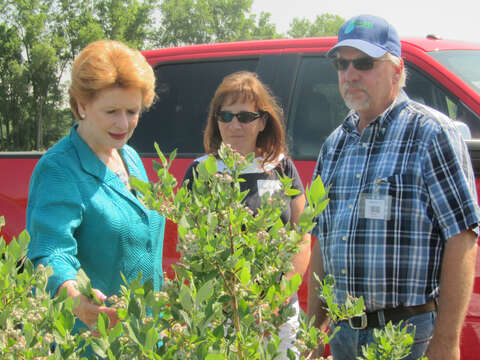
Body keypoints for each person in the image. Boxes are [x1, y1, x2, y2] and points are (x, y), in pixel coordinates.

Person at [307, 14, 480, 360]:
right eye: (342, 64)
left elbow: (462, 239)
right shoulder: (335, 145)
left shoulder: (431, 134)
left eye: (365, 63)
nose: (350, 73)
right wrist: (312, 334)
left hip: (407, 337)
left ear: (397, 71)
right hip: (344, 336)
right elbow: (321, 245)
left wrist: (446, 343)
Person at [26, 40, 165, 333]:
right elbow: (50, 251)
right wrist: (73, 295)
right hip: (94, 337)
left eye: (132, 111)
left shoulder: (129, 156)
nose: (124, 123)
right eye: (112, 111)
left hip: (143, 334)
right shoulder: (60, 168)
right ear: (82, 106)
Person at [182, 71, 310, 359]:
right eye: (225, 116)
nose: (234, 125)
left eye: (245, 116)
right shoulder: (201, 171)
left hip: (278, 314)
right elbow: (192, 246)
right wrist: (233, 306)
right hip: (222, 314)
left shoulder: (281, 168)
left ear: (263, 121)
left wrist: (274, 301)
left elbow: (301, 238)